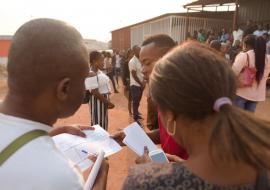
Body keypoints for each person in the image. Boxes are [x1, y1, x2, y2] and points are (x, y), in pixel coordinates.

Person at [122, 41, 270, 190]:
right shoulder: (261, 171)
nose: (143, 70)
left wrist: (100, 179)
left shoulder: (144, 183)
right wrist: (182, 167)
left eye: (147, 63)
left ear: (170, 115)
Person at [0, 18, 108, 190]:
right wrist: (99, 179)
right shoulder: (59, 177)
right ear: (64, 89)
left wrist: (55, 132)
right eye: (82, 81)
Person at [112, 34, 188, 160]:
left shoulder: (193, 100)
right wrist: (130, 137)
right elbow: (167, 133)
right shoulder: (164, 96)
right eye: (142, 64)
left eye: (147, 63)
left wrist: (159, 170)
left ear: (170, 58)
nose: (142, 70)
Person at [232, 35, 270, 112]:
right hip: (256, 95)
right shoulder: (268, 59)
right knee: (248, 120)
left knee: (237, 120)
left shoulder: (244, 56)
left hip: (241, 93)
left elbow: (232, 73)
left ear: (246, 44)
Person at [85, 51, 115, 131]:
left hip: (102, 102)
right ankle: (98, 143)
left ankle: (102, 142)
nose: (103, 63)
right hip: (97, 102)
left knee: (103, 124)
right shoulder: (91, 73)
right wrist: (108, 103)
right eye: (101, 60)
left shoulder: (98, 71)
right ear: (95, 61)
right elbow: (95, 92)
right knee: (98, 126)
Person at [129, 45, 144, 124]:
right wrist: (141, 83)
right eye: (138, 50)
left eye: (140, 50)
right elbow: (134, 75)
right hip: (135, 85)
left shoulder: (140, 60)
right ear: (134, 51)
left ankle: (137, 114)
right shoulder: (132, 61)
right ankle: (135, 118)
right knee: (135, 101)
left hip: (141, 84)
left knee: (138, 101)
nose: (140, 51)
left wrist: (143, 82)